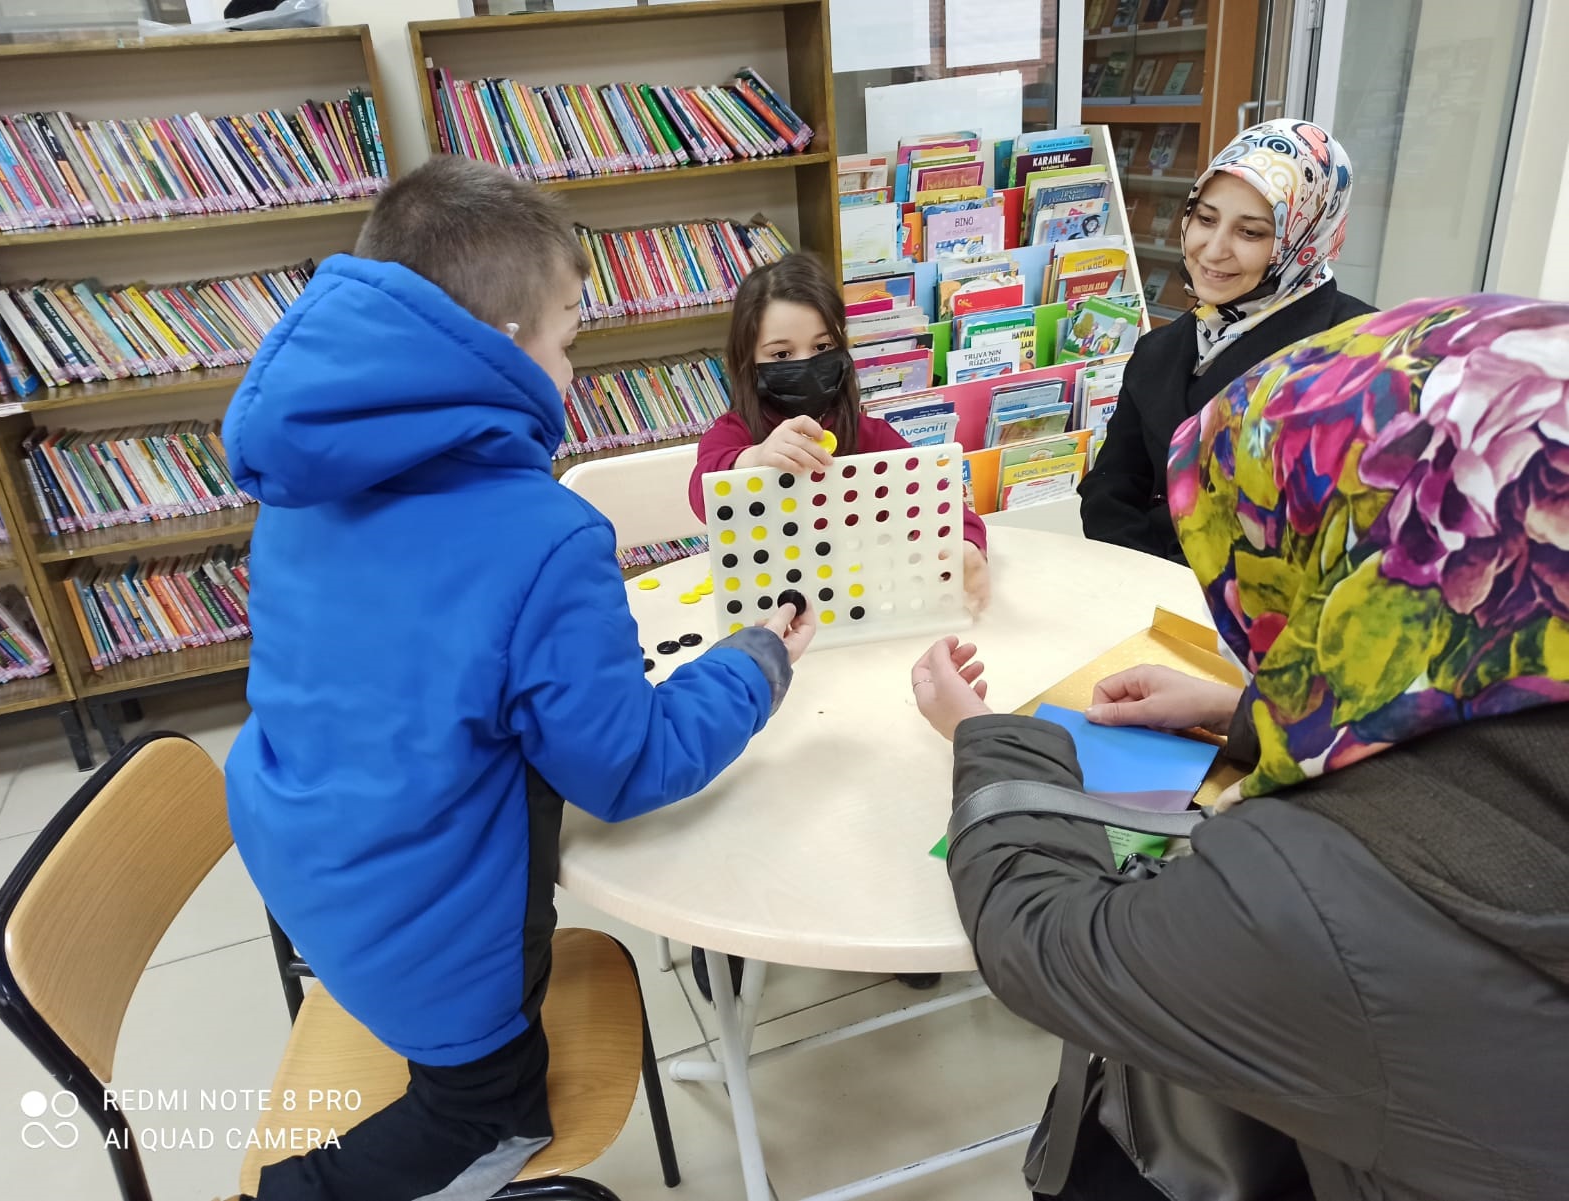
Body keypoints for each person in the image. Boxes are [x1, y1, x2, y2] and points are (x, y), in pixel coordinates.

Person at [222, 156, 816, 1201]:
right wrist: (758, 661)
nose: (574, 367)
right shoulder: (541, 534)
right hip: (432, 934)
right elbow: (629, 765)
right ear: (501, 349)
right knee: (490, 1117)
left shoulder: (304, 482)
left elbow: (431, 661)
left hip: (308, 868)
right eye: (568, 337)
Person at [913, 294, 1569, 1200]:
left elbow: (1052, 941)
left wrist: (987, 739)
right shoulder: (1522, 625)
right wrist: (1249, 709)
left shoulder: (1316, 889)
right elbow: (1458, 724)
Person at [1080, 118, 1375, 562]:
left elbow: (1339, 538)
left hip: (1262, 620)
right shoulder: (1162, 348)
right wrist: (1144, 582)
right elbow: (1111, 488)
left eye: (1250, 232)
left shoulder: (1358, 352)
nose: (1213, 249)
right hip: (1145, 597)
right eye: (1205, 218)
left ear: (1304, 237)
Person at [688, 251, 992, 612]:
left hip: (863, 609)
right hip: (769, 618)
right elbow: (703, 497)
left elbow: (940, 501)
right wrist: (752, 459)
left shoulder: (870, 437)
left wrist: (965, 546)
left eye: (822, 347)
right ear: (747, 360)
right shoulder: (733, 434)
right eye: (781, 355)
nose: (806, 363)